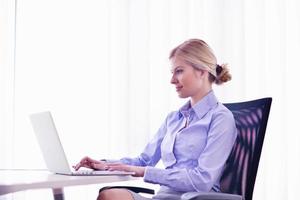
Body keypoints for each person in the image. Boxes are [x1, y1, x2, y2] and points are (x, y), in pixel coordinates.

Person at [74, 39, 237, 200]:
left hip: (193, 199)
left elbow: (202, 181)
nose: (172, 80)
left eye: (179, 71)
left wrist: (144, 172)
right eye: (172, 73)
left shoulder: (221, 119)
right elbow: (144, 160)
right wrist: (105, 165)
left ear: (201, 70)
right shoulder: (174, 119)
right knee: (109, 196)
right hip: (163, 198)